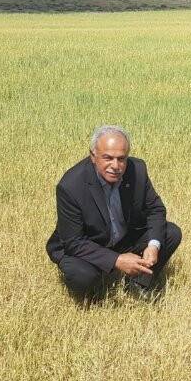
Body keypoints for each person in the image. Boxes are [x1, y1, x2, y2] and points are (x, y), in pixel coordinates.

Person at [46, 125, 182, 299]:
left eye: (121, 159)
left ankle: (138, 283)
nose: (115, 166)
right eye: (108, 158)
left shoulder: (137, 170)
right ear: (93, 156)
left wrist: (153, 246)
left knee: (170, 233)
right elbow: (74, 242)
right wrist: (116, 260)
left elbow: (155, 209)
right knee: (82, 276)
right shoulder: (70, 186)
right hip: (88, 244)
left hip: (122, 238)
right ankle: (96, 291)